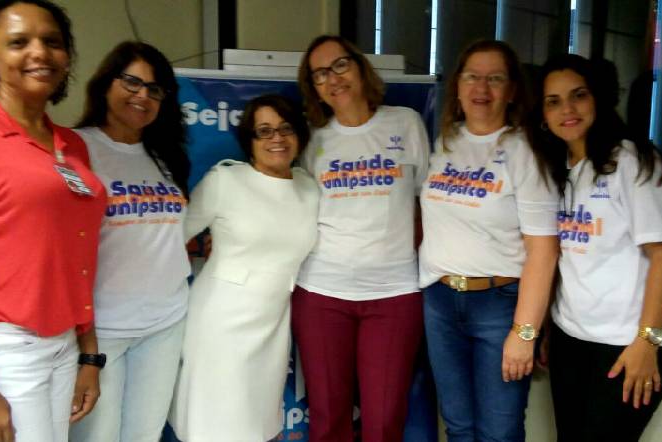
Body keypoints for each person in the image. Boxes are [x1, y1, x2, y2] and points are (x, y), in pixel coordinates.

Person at [0, 1, 107, 441]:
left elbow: (78, 258)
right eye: (19, 42)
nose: (40, 52)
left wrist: (88, 355)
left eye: (52, 42)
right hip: (1, 351)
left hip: (64, 342)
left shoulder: (71, 145)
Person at [533, 53, 662, 442]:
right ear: (543, 114)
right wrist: (548, 328)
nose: (567, 109)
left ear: (597, 97)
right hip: (571, 339)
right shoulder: (558, 170)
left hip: (626, 344)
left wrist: (647, 341)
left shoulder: (633, 162)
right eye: (553, 101)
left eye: (578, 95)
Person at [418, 40, 559, 442]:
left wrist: (526, 332)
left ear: (512, 90)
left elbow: (544, 250)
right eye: (472, 77)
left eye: (495, 78)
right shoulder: (445, 143)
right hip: (440, 301)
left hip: (499, 307)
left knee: (499, 432)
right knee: (459, 428)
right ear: (458, 87)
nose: (482, 88)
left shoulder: (525, 151)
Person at [293, 35, 430, 441]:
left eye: (340, 65)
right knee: (328, 418)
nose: (333, 79)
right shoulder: (313, 139)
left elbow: (425, 205)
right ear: (314, 87)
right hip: (322, 293)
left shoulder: (405, 123)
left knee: (384, 420)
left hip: (393, 294)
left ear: (359, 66)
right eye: (320, 74)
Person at [170, 94, 319, 442]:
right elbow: (172, 238)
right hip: (220, 325)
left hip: (273, 326)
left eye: (285, 128)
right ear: (249, 141)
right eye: (264, 131)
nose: (276, 138)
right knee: (216, 426)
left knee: (257, 425)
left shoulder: (309, 188)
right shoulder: (225, 181)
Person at [68, 41, 190, 442]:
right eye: (132, 83)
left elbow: (161, 229)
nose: (143, 96)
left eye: (154, 89)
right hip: (101, 329)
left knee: (145, 435)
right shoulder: (75, 149)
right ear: (106, 84)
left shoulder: (166, 155)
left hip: (165, 323)